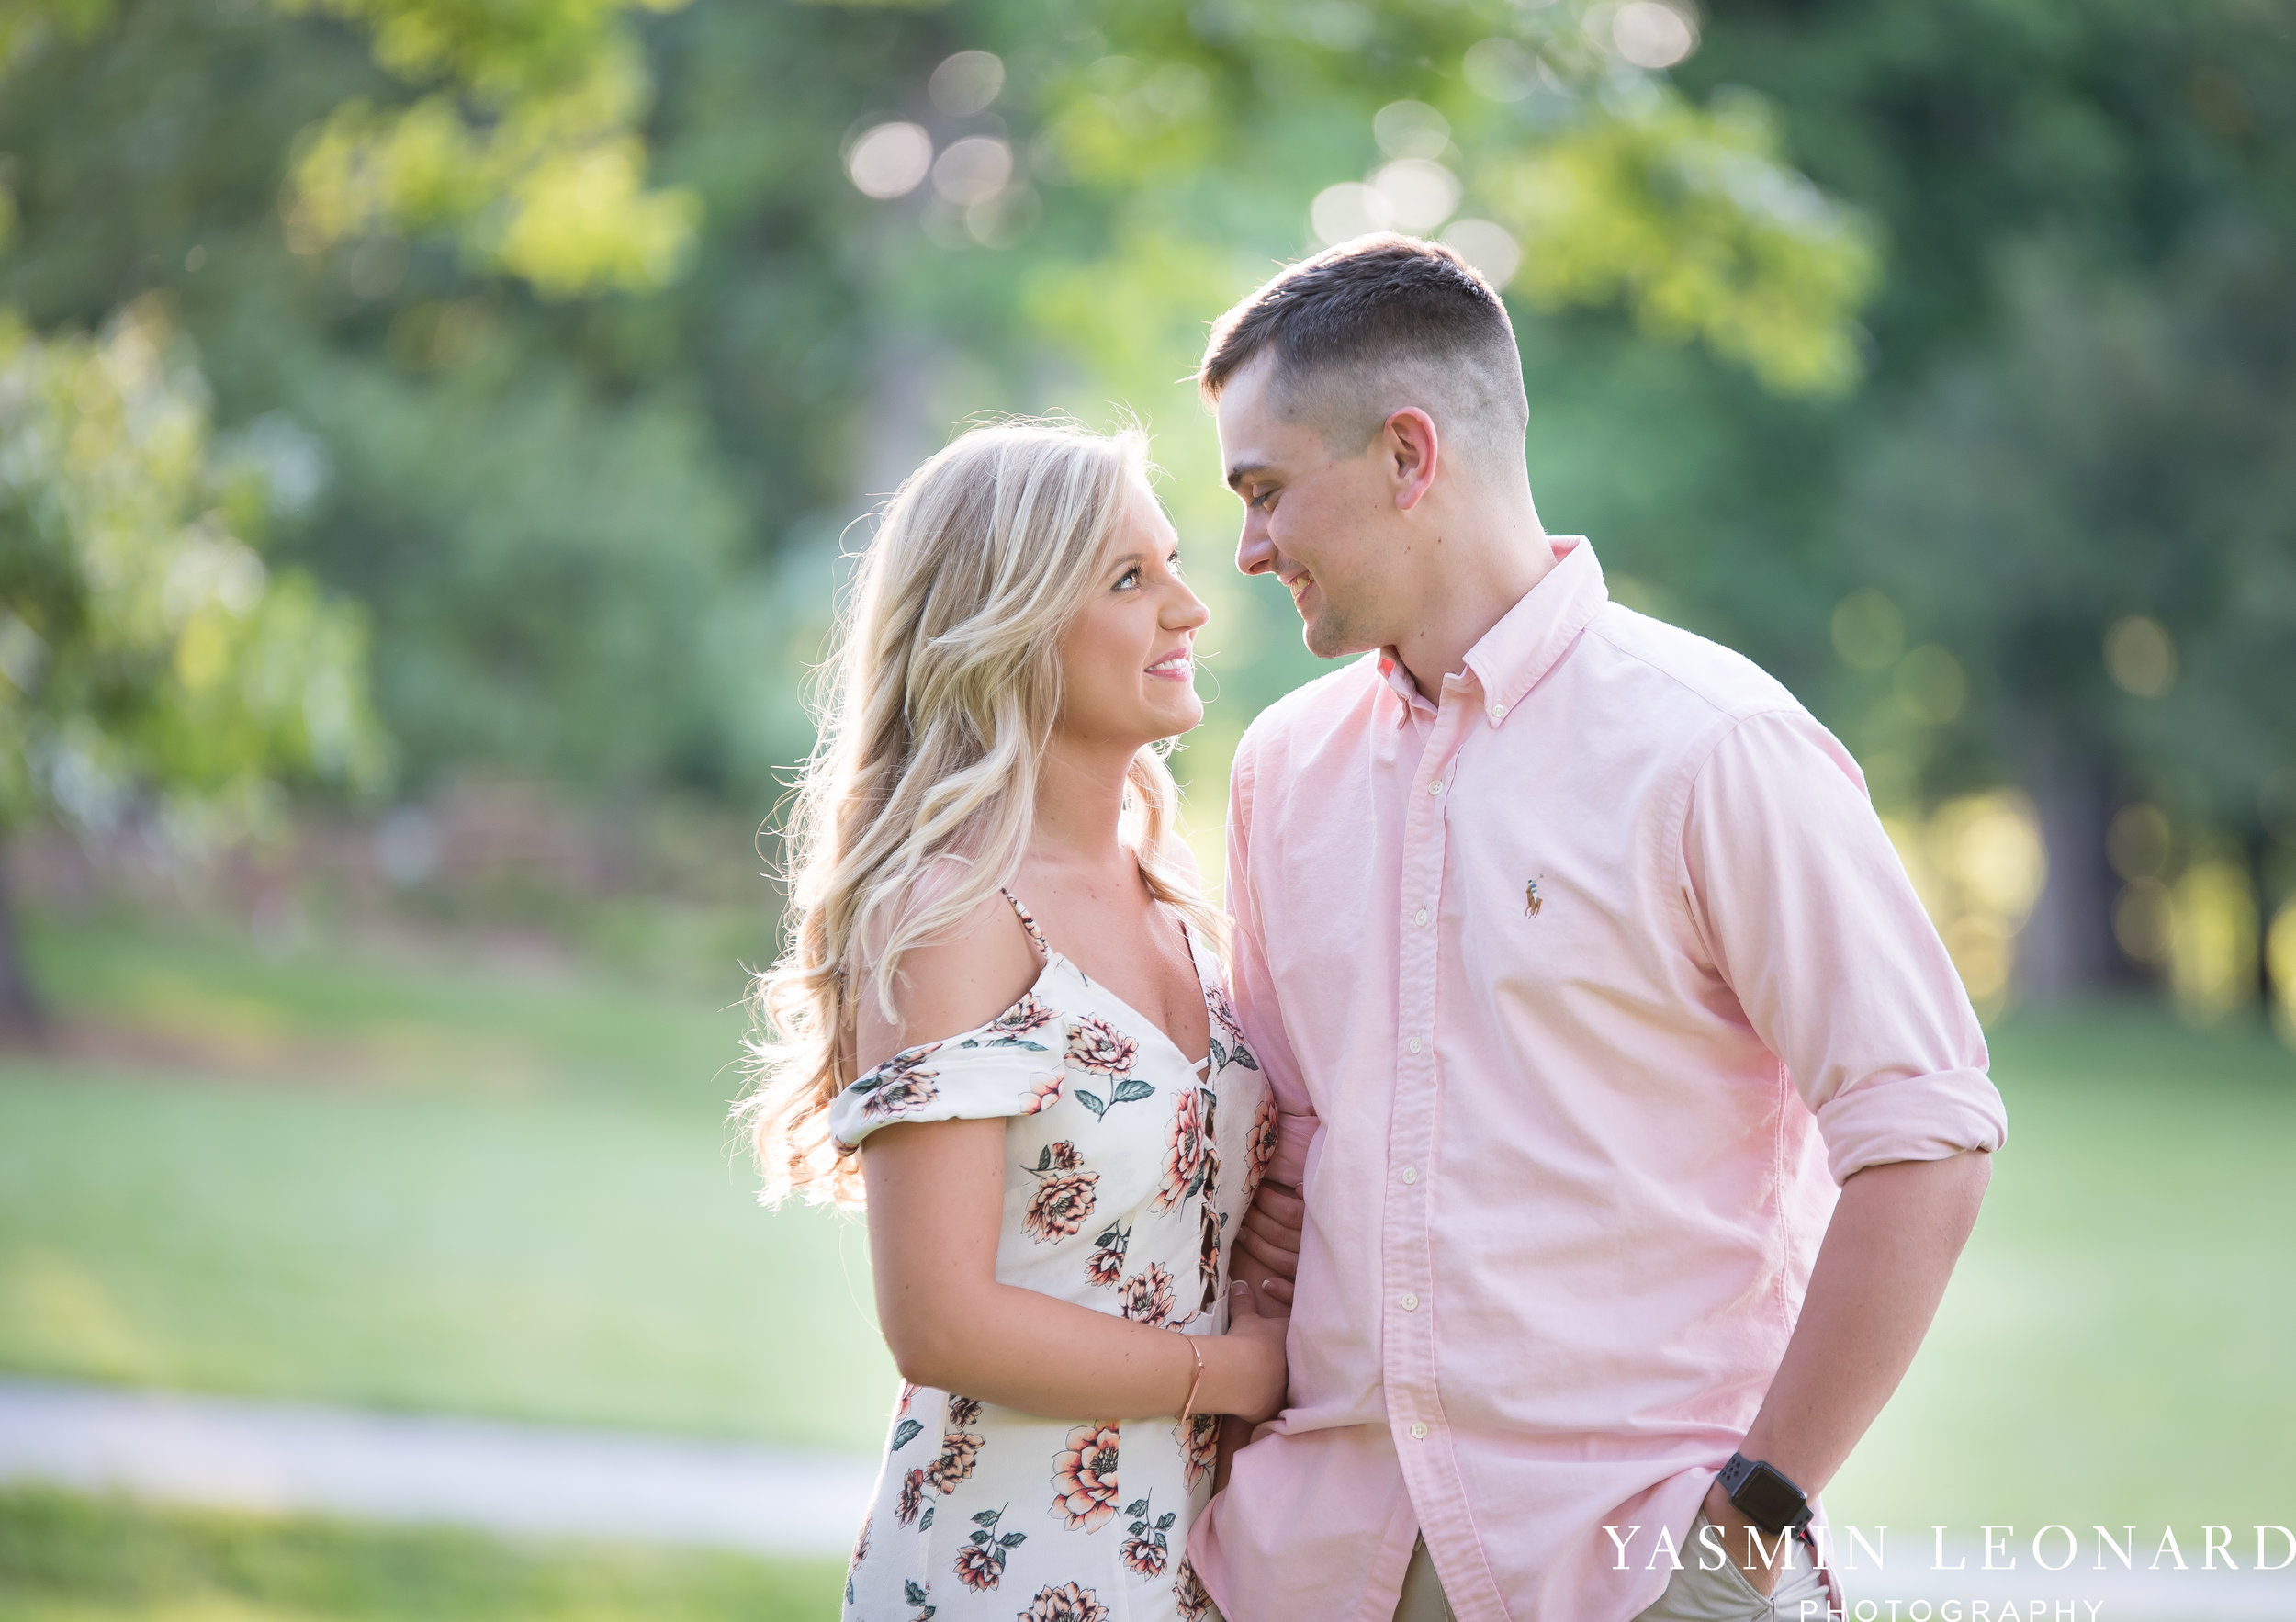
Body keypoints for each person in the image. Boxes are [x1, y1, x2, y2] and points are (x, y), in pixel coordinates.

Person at [1192, 236, 2009, 1622]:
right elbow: (1287, 1162)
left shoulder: (1714, 746)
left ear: (1408, 454)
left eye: (1266, 490)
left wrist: (1747, 1527)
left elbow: (1924, 1134)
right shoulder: (1282, 768)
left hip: (1631, 1573)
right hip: (1313, 1568)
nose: (1248, 546)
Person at [737, 420, 1289, 1622]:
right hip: (1014, 1563)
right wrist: (1232, 1371)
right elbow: (939, 1319)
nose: (1191, 608)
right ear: (1013, 620)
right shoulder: (952, 911)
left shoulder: (1175, 901)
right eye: (1131, 579)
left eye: (1174, 562)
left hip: (1193, 1560)